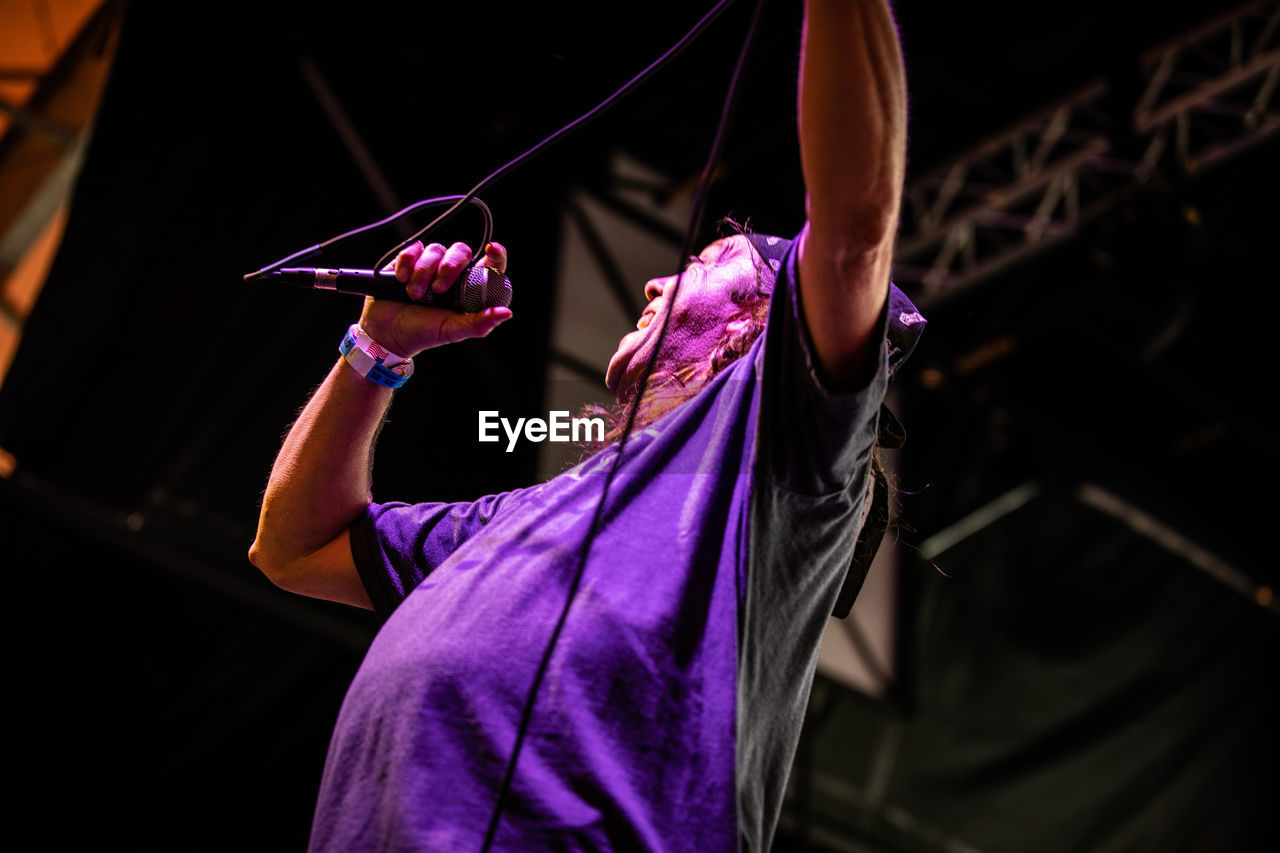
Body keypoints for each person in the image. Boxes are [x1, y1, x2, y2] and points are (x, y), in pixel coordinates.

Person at [249, 1, 921, 849]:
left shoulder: (772, 469)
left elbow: (854, 233)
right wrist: (377, 345)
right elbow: (292, 544)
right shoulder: (514, 521)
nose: (651, 286)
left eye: (706, 266)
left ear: (759, 330)